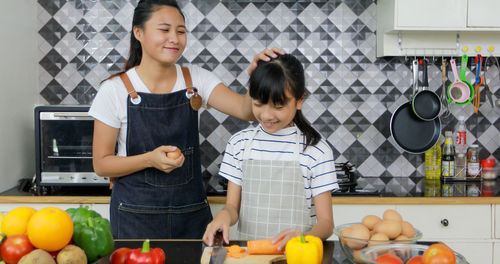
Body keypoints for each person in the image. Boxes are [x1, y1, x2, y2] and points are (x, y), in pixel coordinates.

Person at [89, 0, 283, 239]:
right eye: (164, 29)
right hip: (134, 216)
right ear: (138, 32)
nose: (174, 38)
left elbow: (246, 112)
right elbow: (101, 164)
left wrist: (256, 75)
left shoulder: (196, 79)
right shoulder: (114, 89)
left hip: (191, 214)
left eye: (180, 31)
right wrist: (150, 159)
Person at [202, 54, 339, 250]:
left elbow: (326, 224)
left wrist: (304, 237)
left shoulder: (315, 149)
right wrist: (223, 216)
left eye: (278, 106)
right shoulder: (239, 144)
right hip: (250, 256)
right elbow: (232, 207)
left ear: (299, 100)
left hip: (297, 256)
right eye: (258, 104)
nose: (266, 115)